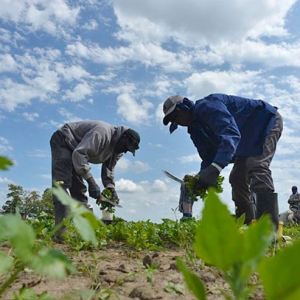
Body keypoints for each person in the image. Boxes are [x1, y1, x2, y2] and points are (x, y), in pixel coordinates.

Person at [162, 93, 283, 227]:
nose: (177, 121)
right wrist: (201, 177)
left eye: (176, 115)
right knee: (237, 178)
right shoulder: (194, 130)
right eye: (173, 120)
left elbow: (230, 133)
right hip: (245, 140)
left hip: (264, 123)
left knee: (256, 165)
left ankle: (269, 228)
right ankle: (246, 222)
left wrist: (215, 168)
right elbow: (208, 157)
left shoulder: (208, 106)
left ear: (184, 107)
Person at [50, 120, 140, 241]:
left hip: (76, 150)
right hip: (65, 140)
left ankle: (85, 230)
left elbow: (109, 168)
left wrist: (111, 189)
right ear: (122, 137)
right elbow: (80, 154)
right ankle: (62, 233)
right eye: (125, 147)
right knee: (61, 184)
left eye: (127, 150)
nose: (124, 151)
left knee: (79, 190)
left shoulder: (118, 150)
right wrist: (92, 182)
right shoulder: (102, 133)